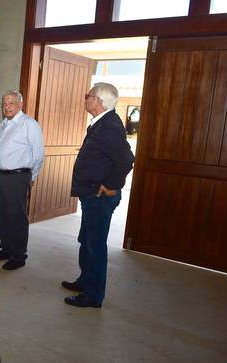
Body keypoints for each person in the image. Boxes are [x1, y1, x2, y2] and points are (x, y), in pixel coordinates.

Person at [62, 83, 134, 308]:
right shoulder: (101, 123)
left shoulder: (109, 126)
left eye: (89, 95)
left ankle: (93, 296)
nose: (86, 98)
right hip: (90, 194)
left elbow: (126, 159)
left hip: (99, 197)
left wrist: (112, 184)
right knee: (87, 240)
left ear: (99, 101)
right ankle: (85, 281)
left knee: (95, 244)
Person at [0, 90, 44, 270]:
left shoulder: (28, 124)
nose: (7, 107)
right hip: (0, 175)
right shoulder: (4, 124)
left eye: (11, 103)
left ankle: (18, 255)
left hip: (17, 177)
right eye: (4, 103)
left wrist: (32, 176)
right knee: (1, 215)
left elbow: (38, 154)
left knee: (16, 217)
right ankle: (6, 248)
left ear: (20, 105)